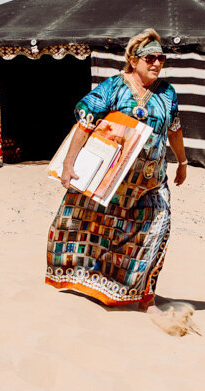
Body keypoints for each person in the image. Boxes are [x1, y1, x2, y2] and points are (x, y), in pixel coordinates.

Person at [45, 28, 188, 320]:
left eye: (161, 58)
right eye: (150, 58)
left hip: (152, 181)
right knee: (100, 233)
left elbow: (174, 129)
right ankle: (99, 286)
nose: (157, 64)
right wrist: (69, 163)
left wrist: (183, 161)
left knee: (157, 233)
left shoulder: (167, 92)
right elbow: (85, 122)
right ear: (133, 60)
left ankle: (146, 298)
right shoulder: (114, 87)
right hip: (113, 181)